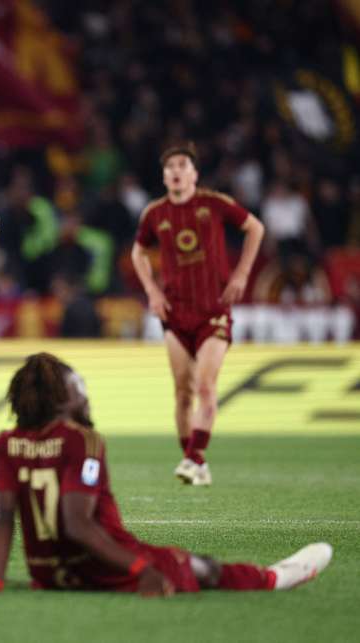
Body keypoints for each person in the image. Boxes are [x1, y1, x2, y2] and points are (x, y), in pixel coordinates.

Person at [0, 352, 332, 595]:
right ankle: (273, 578)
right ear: (62, 398)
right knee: (203, 568)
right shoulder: (82, 440)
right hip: (109, 567)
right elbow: (77, 524)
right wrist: (140, 570)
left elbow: (2, 515)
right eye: (79, 389)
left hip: (49, 576)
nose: (86, 398)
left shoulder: (5, 444)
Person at [130, 142, 265, 485]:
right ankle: (196, 464)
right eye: (170, 166)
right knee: (182, 392)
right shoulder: (155, 214)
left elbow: (255, 228)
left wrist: (241, 274)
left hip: (213, 310)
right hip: (175, 313)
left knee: (205, 385)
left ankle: (193, 457)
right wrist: (152, 291)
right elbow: (138, 253)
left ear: (194, 173)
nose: (175, 171)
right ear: (164, 176)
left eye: (182, 165)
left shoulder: (213, 204)